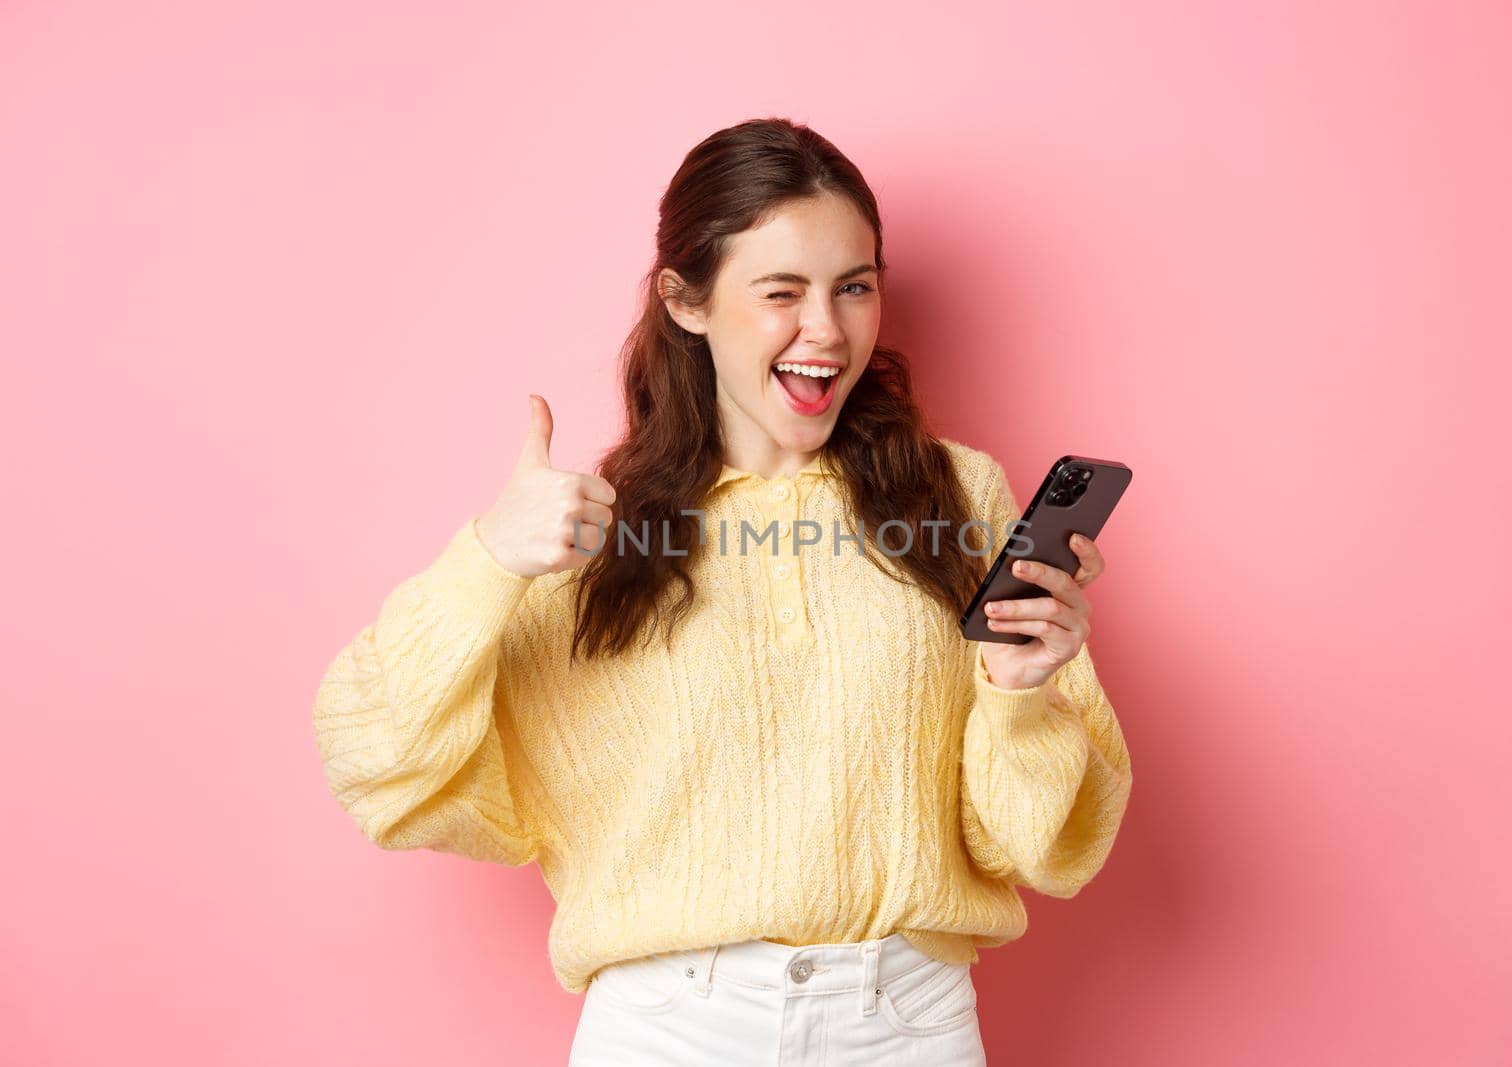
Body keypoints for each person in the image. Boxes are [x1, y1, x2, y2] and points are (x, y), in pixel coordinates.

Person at [311, 116, 1133, 1066]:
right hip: (670, 1030)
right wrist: (489, 558)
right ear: (686, 300)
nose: (826, 330)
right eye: (781, 291)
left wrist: (1019, 694)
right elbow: (374, 759)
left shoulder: (961, 497)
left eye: (855, 287)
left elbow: (1042, 847)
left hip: (906, 1024)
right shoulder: (586, 532)